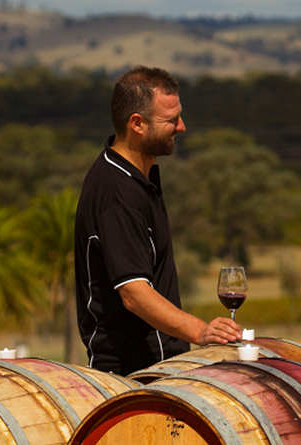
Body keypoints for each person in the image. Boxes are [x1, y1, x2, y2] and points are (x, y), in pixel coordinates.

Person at [75, 66, 242, 374]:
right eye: (171, 120)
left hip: (159, 366)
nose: (182, 127)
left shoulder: (141, 175)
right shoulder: (116, 193)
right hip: (128, 375)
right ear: (137, 124)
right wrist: (200, 332)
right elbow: (134, 295)